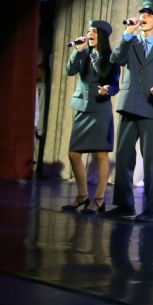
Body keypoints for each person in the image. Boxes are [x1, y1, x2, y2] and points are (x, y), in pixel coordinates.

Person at [105, 0, 153, 222]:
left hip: (152, 107)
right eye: (142, 14)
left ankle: (152, 209)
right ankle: (124, 205)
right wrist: (127, 33)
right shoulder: (131, 41)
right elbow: (115, 59)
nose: (143, 17)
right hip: (129, 105)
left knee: (151, 161)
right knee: (123, 157)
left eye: (149, 15)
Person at [62, 20, 120, 214]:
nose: (90, 34)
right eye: (88, 31)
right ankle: (82, 195)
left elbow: (115, 85)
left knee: (101, 154)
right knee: (73, 153)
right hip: (82, 107)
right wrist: (78, 50)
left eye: (94, 31)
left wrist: (108, 89)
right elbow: (70, 71)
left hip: (100, 109)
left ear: (102, 35)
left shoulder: (111, 57)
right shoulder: (84, 53)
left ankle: (99, 199)